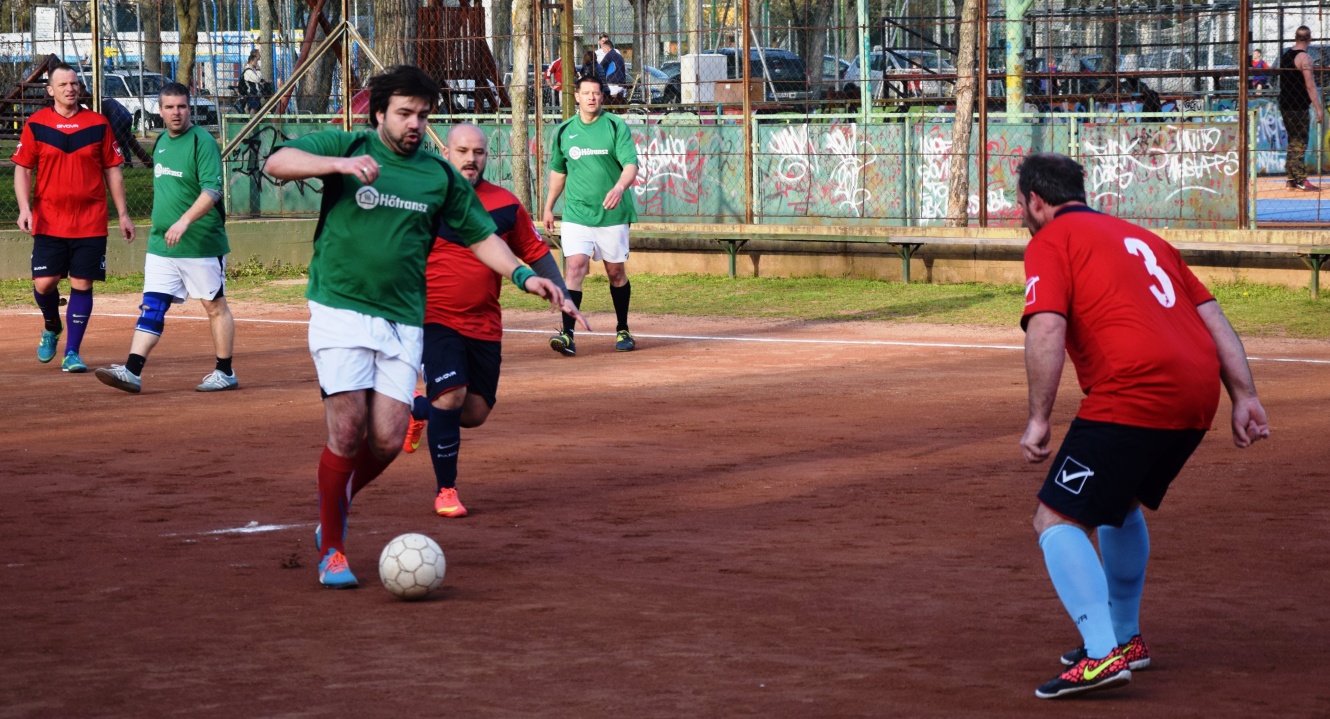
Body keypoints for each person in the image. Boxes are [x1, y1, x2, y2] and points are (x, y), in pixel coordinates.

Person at [262, 65, 576, 589]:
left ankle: (332, 508)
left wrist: (525, 276)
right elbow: (279, 160)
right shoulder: (350, 142)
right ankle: (333, 549)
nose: (414, 124)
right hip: (339, 309)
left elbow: (481, 237)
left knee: (385, 439)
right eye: (405, 113)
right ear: (379, 111)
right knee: (346, 431)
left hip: (404, 318)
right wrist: (338, 164)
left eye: (422, 115)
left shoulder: (439, 175)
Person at [1015, 153, 1269, 699]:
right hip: (1195, 394)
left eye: (1022, 205)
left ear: (1037, 201)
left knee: (1054, 518)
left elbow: (1047, 326)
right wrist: (1244, 395)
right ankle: (1124, 638)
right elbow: (1213, 315)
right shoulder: (1144, 238)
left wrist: (1038, 418)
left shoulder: (1050, 241)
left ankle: (1103, 655)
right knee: (1119, 504)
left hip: (1134, 392)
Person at [401, 122, 583, 518]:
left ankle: (421, 408)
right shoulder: (425, 201)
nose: (471, 159)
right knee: (451, 394)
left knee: (474, 413)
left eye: (478, 152)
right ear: (446, 154)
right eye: (462, 151)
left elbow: (534, 251)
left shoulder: (504, 203)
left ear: (487, 156)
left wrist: (564, 295)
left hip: (484, 323)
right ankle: (446, 489)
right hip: (434, 318)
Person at [94, 83, 237, 395]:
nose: (176, 112)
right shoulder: (160, 143)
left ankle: (225, 372)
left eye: (182, 107)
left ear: (189, 109)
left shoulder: (202, 142)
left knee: (214, 306)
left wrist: (184, 221)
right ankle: (132, 371)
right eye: (170, 107)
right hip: (161, 244)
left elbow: (212, 190)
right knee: (152, 306)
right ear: (159, 110)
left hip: (200, 242)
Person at [11, 62, 136, 374]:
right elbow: (23, 169)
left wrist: (123, 214)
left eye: (74, 84)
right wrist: (24, 208)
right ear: (51, 90)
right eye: (63, 84)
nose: (70, 89)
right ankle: (52, 325)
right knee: (44, 283)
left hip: (91, 220)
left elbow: (113, 170)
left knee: (82, 283)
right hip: (49, 220)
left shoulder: (98, 124)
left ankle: (72, 353)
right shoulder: (37, 124)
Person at [543, 75, 639, 356]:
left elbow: (631, 165)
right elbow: (559, 173)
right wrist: (549, 206)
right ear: (577, 97)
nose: (591, 98)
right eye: (586, 93)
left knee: (615, 272)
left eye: (596, 93)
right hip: (576, 213)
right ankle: (567, 334)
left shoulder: (615, 126)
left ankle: (623, 328)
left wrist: (620, 187)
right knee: (574, 267)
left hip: (612, 214)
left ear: (602, 97)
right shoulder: (564, 131)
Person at [1279, 26, 1324, 191]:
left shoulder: (1286, 56)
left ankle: (1291, 178)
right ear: (1309, 38)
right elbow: (1310, 84)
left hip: (1285, 104)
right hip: (1298, 106)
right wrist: (1318, 108)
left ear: (1295, 37)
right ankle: (1300, 179)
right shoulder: (1304, 58)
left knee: (1293, 141)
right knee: (1300, 142)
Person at [99, 97, 152, 167]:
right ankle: (128, 162)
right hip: (127, 116)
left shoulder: (101, 106)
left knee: (116, 141)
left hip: (117, 119)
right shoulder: (108, 100)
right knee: (124, 141)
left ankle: (114, 162)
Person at [598, 35, 628, 101]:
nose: (603, 50)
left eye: (603, 49)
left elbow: (600, 66)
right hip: (621, 83)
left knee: (603, 97)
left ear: (607, 48)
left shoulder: (610, 54)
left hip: (613, 84)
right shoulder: (618, 55)